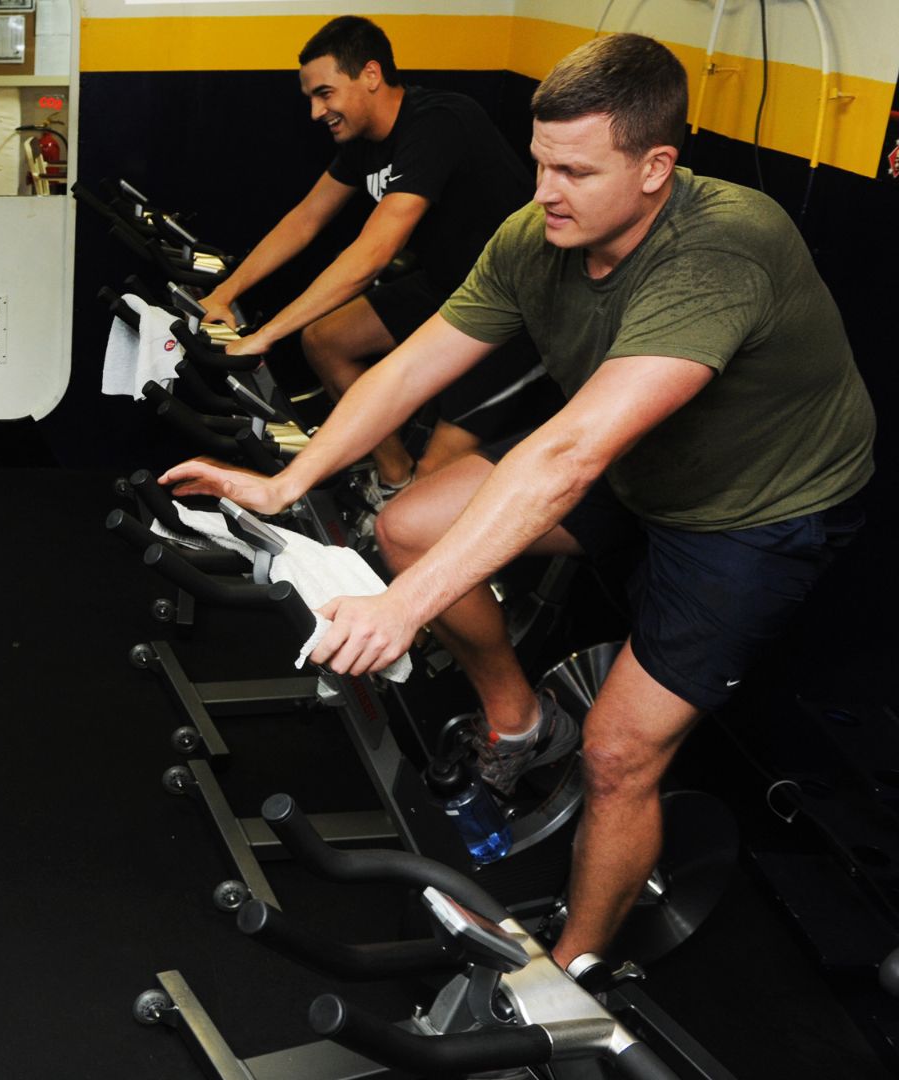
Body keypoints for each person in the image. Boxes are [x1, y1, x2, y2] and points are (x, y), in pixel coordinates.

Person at [164, 33, 873, 975]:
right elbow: (413, 365)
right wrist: (283, 484)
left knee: (619, 754)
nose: (545, 191)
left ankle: (567, 974)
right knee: (405, 524)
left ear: (657, 167)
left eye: (575, 171)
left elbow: (572, 452)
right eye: (541, 162)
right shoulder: (536, 235)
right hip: (644, 465)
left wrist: (401, 612)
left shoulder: (724, 248)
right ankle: (520, 720)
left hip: (755, 510)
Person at [197, 16, 548, 495]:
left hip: (519, 310)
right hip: (453, 288)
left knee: (436, 478)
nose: (317, 112)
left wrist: (265, 335)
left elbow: (373, 254)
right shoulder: (363, 143)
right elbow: (305, 219)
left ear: (370, 75)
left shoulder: (440, 120)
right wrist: (223, 293)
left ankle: (415, 498)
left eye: (325, 93)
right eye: (311, 99)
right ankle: (393, 476)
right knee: (325, 340)